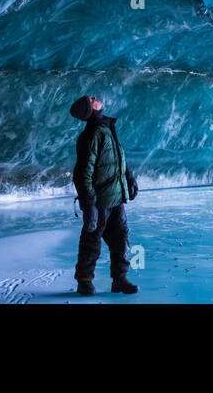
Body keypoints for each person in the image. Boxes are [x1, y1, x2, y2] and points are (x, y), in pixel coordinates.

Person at [69, 94, 139, 295]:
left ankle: (120, 279)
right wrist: (89, 203)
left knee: (121, 239)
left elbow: (118, 157)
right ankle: (84, 280)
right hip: (100, 200)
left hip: (115, 197)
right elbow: (83, 173)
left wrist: (129, 178)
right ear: (90, 109)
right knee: (92, 240)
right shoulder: (92, 134)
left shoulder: (106, 127)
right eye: (90, 99)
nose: (94, 97)